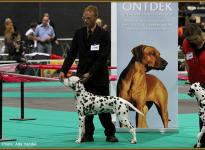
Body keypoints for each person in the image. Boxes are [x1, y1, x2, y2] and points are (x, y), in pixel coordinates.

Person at [59, 5, 118, 142]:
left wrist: (90, 73)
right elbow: (71, 54)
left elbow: (103, 57)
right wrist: (63, 70)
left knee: (104, 109)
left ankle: (110, 133)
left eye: (88, 18)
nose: (85, 21)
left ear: (95, 18)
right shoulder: (78, 33)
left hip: (99, 78)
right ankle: (88, 134)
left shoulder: (104, 34)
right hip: (82, 79)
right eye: (84, 18)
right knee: (85, 109)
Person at [182, 23, 205, 148]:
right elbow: (187, 59)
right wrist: (189, 76)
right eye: (192, 41)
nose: (195, 42)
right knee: (203, 113)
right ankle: (202, 141)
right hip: (198, 84)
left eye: (196, 39)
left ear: (201, 32)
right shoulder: (186, 43)